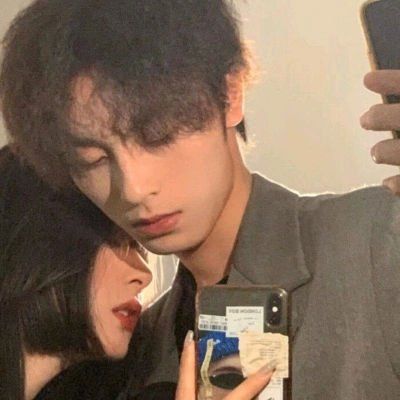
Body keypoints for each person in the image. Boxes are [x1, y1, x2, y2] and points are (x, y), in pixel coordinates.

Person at [1, 0, 400, 399]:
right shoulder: (135, 354)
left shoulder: (379, 242)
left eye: (157, 134)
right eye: (92, 160)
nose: (134, 188)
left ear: (230, 93)